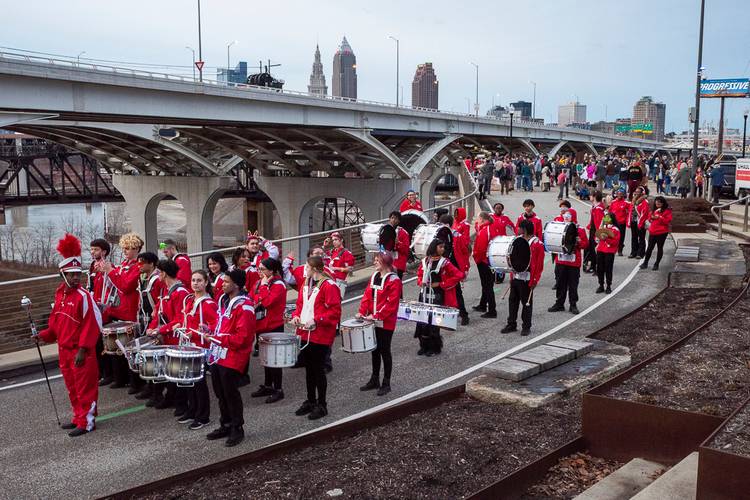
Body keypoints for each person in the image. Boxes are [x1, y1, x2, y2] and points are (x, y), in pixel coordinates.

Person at [36, 234, 102, 437]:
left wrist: (83, 349)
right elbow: (56, 323)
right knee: (72, 388)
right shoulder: (60, 295)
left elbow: (92, 325)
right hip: (64, 350)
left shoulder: (84, 297)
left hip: (81, 352)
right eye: (71, 274)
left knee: (85, 388)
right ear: (62, 275)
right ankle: (78, 418)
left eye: (77, 274)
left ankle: (87, 422)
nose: (76, 277)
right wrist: (44, 335)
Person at [206, 268, 255, 447]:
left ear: (236, 284)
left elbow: (242, 338)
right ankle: (225, 423)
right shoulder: (224, 300)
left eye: (226, 282)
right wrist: (210, 330)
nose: (222, 284)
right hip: (219, 353)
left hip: (233, 355)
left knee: (230, 393)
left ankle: (237, 427)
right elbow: (221, 325)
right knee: (220, 392)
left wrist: (217, 338)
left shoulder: (245, 306)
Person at [291, 256, 342, 420]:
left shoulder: (329, 286)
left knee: (318, 371)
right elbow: (300, 305)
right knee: (309, 369)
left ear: (314, 268)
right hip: (305, 333)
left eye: (306, 267)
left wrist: (318, 319)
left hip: (320, 335)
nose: (304, 270)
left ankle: (322, 404)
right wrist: (296, 316)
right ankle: (311, 400)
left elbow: (335, 312)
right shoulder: (306, 284)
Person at [145, 259, 190, 410]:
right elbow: (157, 313)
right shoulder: (166, 290)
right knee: (169, 371)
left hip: (176, 337)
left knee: (176, 372)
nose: (157, 274)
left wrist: (160, 330)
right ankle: (169, 397)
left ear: (164, 273)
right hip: (167, 336)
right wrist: (152, 328)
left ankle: (179, 401)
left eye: (159, 271)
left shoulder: (180, 292)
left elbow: (180, 319)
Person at [101, 233, 143, 390]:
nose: (124, 251)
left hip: (130, 311)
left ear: (136, 249)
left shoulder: (137, 266)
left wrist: (111, 271)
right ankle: (121, 378)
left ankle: (135, 382)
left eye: (128, 248)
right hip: (118, 309)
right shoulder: (125, 264)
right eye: (123, 248)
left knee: (130, 349)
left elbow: (126, 286)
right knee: (118, 349)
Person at [357, 252, 402, 396]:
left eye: (377, 260)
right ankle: (374, 379)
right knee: (374, 350)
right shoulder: (375, 276)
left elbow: (391, 303)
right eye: (375, 260)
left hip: (385, 322)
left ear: (386, 262)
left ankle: (386, 382)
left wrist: (376, 316)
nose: (374, 262)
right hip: (372, 319)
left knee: (385, 350)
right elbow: (367, 296)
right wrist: (362, 312)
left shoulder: (394, 280)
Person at [179, 270, 218, 430]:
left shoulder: (208, 304)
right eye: (193, 280)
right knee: (189, 381)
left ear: (206, 283)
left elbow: (216, 325)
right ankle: (193, 409)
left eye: (199, 280)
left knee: (199, 383)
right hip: (189, 345)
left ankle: (203, 416)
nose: (195, 283)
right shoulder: (190, 300)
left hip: (201, 347)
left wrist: (206, 329)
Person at [249, 258, 288, 404]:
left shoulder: (278, 285)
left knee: (274, 359)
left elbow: (267, 302)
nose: (260, 272)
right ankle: (268, 385)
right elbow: (252, 299)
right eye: (259, 269)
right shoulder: (259, 282)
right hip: (261, 325)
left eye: (262, 269)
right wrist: (260, 295)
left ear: (271, 271)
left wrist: (263, 289)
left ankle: (278, 389)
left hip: (274, 325)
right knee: (265, 358)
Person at [415, 239, 464, 355]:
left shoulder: (445, 262)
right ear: (434, 248)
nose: (443, 249)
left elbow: (459, 275)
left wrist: (441, 284)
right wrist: (420, 281)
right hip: (424, 294)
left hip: (437, 295)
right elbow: (419, 275)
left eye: (443, 247)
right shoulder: (425, 261)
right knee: (422, 320)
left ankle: (434, 347)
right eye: (440, 247)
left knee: (434, 322)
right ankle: (423, 345)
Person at [500, 220, 544, 336]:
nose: (517, 229)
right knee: (512, 301)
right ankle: (511, 324)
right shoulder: (517, 240)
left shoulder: (537, 244)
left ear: (524, 229)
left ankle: (526, 326)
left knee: (527, 303)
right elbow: (512, 258)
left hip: (527, 279)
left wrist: (535, 280)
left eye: (519, 227)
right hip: (516, 276)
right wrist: (511, 275)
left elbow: (539, 265)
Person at [134, 251, 164, 402]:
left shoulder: (157, 280)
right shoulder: (143, 277)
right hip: (144, 320)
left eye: (142, 262)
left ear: (151, 264)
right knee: (146, 357)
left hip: (154, 322)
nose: (139, 265)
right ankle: (150, 386)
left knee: (154, 358)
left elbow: (160, 303)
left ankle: (157, 391)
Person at [548, 212, 588, 315]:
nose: (566, 218)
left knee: (573, 284)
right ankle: (559, 303)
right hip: (561, 261)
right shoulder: (559, 227)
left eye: (568, 217)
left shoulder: (580, 229)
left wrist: (579, 241)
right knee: (560, 283)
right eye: (565, 217)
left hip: (573, 262)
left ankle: (573, 304)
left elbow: (585, 245)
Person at [88, 238, 113, 387]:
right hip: (95, 309)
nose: (92, 252)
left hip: (104, 311)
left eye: (96, 249)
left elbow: (111, 288)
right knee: (96, 344)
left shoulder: (108, 266)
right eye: (91, 249)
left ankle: (108, 374)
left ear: (103, 251)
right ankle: (101, 372)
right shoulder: (92, 266)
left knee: (104, 345)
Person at [440, 213, 470, 325]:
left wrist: (465, 268)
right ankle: (444, 315)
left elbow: (465, 252)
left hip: (454, 268)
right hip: (442, 266)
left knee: (457, 292)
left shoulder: (458, 236)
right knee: (441, 292)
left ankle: (464, 314)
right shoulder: (439, 236)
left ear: (448, 225)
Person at [473, 212, 499, 317]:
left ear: (483, 220)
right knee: (486, 285)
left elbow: (481, 249)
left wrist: (476, 259)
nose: (477, 221)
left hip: (484, 261)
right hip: (488, 261)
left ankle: (492, 310)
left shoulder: (485, 230)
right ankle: (483, 304)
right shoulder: (488, 228)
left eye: (478, 219)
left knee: (487, 286)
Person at [640, 196, 672, 271]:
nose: (657, 203)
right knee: (649, 248)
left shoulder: (667, 211)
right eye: (656, 202)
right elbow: (649, 218)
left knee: (659, 248)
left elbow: (667, 221)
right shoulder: (654, 210)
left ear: (663, 203)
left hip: (662, 232)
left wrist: (659, 217)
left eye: (659, 202)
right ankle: (645, 262)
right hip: (653, 231)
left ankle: (656, 264)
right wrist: (651, 218)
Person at [595, 215, 620, 294]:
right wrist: (597, 239)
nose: (605, 219)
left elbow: (615, 242)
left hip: (609, 251)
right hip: (600, 250)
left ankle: (608, 286)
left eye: (608, 218)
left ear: (612, 219)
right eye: (605, 217)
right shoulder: (602, 227)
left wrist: (607, 239)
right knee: (600, 268)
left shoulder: (615, 229)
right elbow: (597, 237)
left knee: (608, 269)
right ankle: (601, 285)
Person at [325, 231, 354, 299]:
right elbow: (320, 256)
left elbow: (350, 269)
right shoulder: (332, 251)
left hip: (339, 282)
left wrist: (336, 268)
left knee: (335, 305)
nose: (334, 242)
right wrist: (324, 246)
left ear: (341, 240)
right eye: (333, 240)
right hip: (328, 280)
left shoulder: (347, 253)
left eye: (336, 240)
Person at [584, 191, 606, 274]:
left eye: (591, 195)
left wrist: (598, 235)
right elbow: (592, 220)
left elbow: (599, 222)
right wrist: (588, 226)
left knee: (596, 251)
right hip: (593, 231)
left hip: (596, 232)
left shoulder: (598, 209)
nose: (589, 196)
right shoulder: (595, 207)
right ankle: (593, 266)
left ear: (595, 197)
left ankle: (598, 268)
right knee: (592, 250)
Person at [387, 211, 411, 280]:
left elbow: (406, 249)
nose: (393, 220)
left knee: (396, 284)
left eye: (396, 218)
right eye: (392, 218)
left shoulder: (403, 233)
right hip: (388, 261)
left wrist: (398, 243)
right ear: (389, 219)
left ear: (399, 221)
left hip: (398, 263)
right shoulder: (386, 230)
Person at [628, 187, 650, 259]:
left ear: (642, 193)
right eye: (636, 191)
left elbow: (644, 214)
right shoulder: (633, 200)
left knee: (641, 238)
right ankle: (633, 252)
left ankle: (640, 253)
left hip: (641, 222)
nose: (636, 193)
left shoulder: (645, 202)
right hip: (633, 221)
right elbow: (630, 211)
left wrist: (640, 223)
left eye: (638, 192)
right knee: (634, 237)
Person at [608, 188, 631, 256]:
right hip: (613, 223)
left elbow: (630, 210)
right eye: (618, 194)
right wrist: (606, 222)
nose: (619, 195)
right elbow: (609, 212)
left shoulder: (626, 203)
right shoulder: (613, 202)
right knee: (612, 236)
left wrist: (627, 221)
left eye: (621, 194)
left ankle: (620, 250)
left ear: (624, 195)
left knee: (621, 237)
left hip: (621, 223)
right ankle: (613, 248)